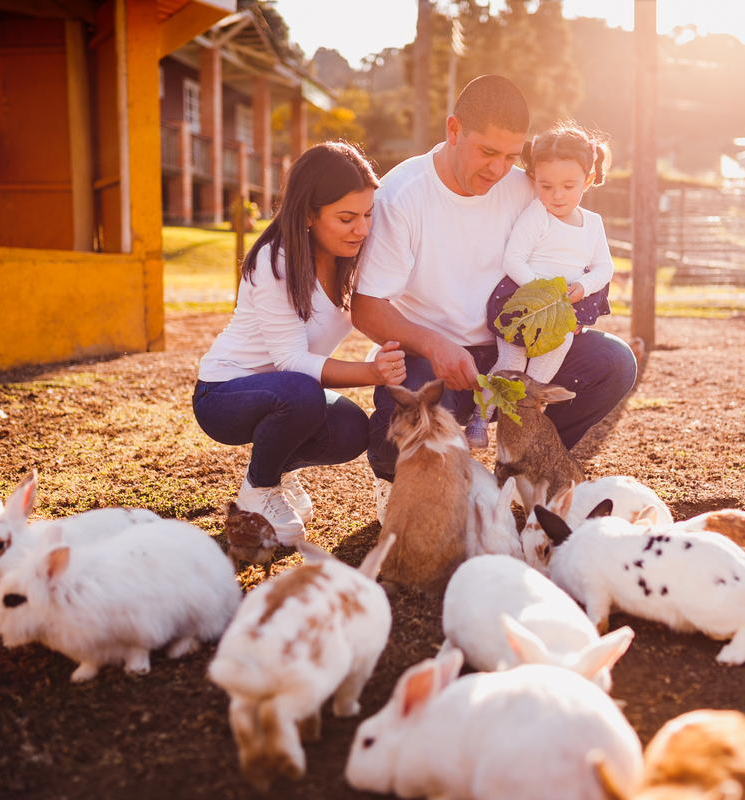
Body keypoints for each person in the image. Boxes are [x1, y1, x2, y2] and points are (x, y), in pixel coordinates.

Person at [352, 75, 637, 521]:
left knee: (615, 362)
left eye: (510, 156)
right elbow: (366, 307)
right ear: (453, 130)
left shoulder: (530, 187)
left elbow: (574, 242)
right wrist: (434, 345)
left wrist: (566, 306)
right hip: (436, 359)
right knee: (403, 420)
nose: (499, 170)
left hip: (515, 348)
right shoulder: (401, 196)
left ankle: (527, 461)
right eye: (487, 152)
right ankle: (397, 480)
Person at [192, 142, 407, 546]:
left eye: (366, 215)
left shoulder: (351, 257)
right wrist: (371, 373)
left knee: (350, 429)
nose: (361, 229)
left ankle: (274, 471)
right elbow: (290, 361)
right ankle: (259, 491)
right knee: (304, 393)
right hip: (222, 395)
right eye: (346, 218)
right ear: (309, 213)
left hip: (288, 395)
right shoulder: (276, 260)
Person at [465, 122, 614, 448]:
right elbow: (513, 259)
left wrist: (584, 286)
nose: (556, 195)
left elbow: (605, 266)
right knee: (511, 364)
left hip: (561, 314)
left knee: (540, 377)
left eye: (568, 185)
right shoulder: (538, 215)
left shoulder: (593, 224)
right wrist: (542, 290)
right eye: (546, 186)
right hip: (524, 304)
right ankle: (480, 413)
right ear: (535, 181)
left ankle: (519, 433)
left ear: (588, 180)